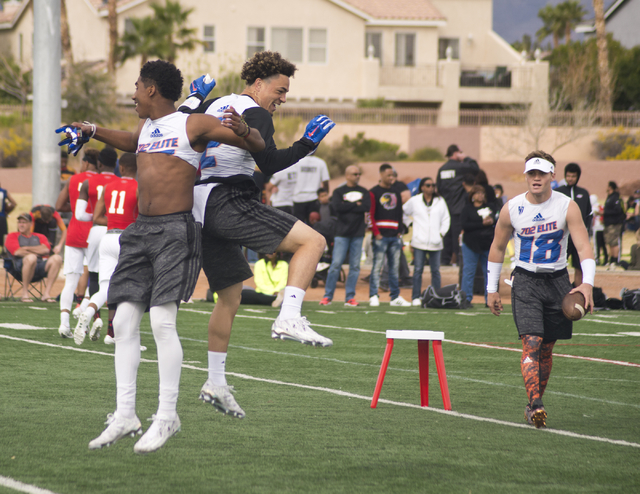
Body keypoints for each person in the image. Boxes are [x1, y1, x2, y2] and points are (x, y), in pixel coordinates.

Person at [58, 60, 265, 454]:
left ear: (152, 89)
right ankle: (125, 415)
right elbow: (128, 140)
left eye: (136, 86)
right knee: (123, 319)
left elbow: (255, 145)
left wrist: (246, 131)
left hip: (175, 230)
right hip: (140, 231)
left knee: (163, 324)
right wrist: (92, 130)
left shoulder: (194, 123)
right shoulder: (147, 129)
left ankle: (167, 416)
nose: (132, 93)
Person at [181, 52, 335, 422]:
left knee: (230, 298)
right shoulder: (257, 112)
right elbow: (268, 162)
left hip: (198, 206)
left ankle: (215, 382)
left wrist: (192, 100)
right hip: (227, 198)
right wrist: (305, 147)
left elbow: (180, 131)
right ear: (259, 83)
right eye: (280, 90)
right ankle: (290, 315)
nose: (281, 98)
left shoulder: (216, 103)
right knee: (313, 242)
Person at [486, 151, 595, 429]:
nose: (536, 178)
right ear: (526, 176)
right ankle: (536, 404)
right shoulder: (511, 208)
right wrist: (491, 289)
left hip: (558, 280)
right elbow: (497, 248)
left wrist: (587, 283)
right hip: (525, 280)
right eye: (531, 173)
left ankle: (531, 405)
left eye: (541, 173)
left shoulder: (567, 206)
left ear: (551, 175)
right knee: (531, 341)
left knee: (547, 348)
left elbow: (583, 247)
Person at [74, 152, 139, 346]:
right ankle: (124, 334)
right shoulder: (139, 187)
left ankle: (90, 311)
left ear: (122, 168)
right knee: (131, 290)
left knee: (105, 287)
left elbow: (96, 218)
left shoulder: (109, 187)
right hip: (127, 240)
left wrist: (116, 222)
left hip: (108, 237)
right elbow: (144, 217)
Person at [74, 147, 120, 336]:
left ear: (99, 163)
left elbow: (79, 215)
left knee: (94, 276)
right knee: (115, 280)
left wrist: (96, 217)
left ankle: (94, 321)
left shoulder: (87, 182)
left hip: (96, 233)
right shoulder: (122, 182)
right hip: (116, 232)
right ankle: (111, 330)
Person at [55, 149, 99, 338]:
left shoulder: (73, 179)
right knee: (96, 278)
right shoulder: (103, 181)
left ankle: (64, 324)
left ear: (87, 163)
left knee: (71, 280)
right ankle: (84, 309)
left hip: (74, 231)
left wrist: (74, 207)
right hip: (94, 232)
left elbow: (58, 205)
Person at [319, 165, 370, 307]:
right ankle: (327, 296)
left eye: (359, 174)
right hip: (341, 234)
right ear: (347, 175)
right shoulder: (338, 192)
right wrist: (356, 205)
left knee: (355, 267)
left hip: (358, 234)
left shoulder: (364, 191)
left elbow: (366, 207)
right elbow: (337, 207)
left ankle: (350, 297)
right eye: (354, 174)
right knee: (335, 265)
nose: (357, 176)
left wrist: (348, 204)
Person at [403, 177, 450, 306]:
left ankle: (436, 296)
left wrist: (441, 233)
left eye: (433, 185)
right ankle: (415, 297)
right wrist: (409, 223)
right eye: (428, 185)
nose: (431, 188)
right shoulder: (415, 200)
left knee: (435, 271)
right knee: (418, 270)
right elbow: (403, 212)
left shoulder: (440, 201)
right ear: (422, 187)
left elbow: (446, 218)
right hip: (419, 242)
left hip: (436, 243)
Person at [369, 163, 411, 307]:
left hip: (394, 236)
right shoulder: (373, 192)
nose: (392, 177)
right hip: (380, 236)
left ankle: (395, 297)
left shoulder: (396, 193)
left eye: (393, 175)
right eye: (389, 175)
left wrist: (399, 231)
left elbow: (399, 214)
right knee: (377, 266)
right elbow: (370, 214)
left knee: (394, 268)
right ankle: (373, 295)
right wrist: (376, 233)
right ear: (381, 175)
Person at [436, 144, 479, 266]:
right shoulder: (461, 167)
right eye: (460, 152)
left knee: (446, 234)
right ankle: (459, 260)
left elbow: (438, 187)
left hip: (445, 207)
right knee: (456, 235)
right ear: (456, 153)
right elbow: (475, 168)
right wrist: (466, 158)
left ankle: (444, 260)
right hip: (458, 208)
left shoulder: (442, 169)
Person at [5, 213, 62, 302]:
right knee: (31, 258)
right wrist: (37, 251)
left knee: (57, 258)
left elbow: (46, 250)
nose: (21, 224)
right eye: (19, 222)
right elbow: (17, 252)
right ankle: (25, 294)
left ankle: (46, 294)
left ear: (31, 224)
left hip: (39, 267)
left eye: (24, 222)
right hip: (19, 267)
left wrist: (26, 248)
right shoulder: (12, 236)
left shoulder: (40, 236)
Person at [555, 163, 592, 285]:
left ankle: (578, 295)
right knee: (558, 266)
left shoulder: (584, 193)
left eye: (573, 176)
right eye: (568, 176)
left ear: (578, 177)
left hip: (579, 238)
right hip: (562, 237)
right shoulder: (557, 193)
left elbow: (589, 214)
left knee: (579, 266)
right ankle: (559, 291)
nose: (570, 178)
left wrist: (587, 232)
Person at [460, 185, 497, 305]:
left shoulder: (490, 207)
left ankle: (489, 299)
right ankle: (466, 298)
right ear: (472, 196)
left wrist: (492, 220)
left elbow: (499, 218)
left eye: (482, 193)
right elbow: (465, 225)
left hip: (487, 243)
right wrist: (482, 223)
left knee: (489, 272)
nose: (480, 195)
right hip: (471, 244)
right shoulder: (467, 209)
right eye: (477, 193)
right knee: (469, 272)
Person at [291, 155, 330, 224]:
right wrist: (325, 196)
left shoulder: (296, 161)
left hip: (298, 199)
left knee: (299, 226)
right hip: (314, 199)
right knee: (314, 227)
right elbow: (325, 182)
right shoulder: (320, 162)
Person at [603, 181, 626, 268]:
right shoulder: (610, 197)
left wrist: (604, 212)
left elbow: (617, 210)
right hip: (608, 223)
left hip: (615, 223)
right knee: (610, 242)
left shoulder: (616, 197)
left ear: (610, 187)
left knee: (614, 242)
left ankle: (615, 260)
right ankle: (611, 259)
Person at [0, 181, 17, 251]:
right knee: (3, 236)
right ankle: (4, 252)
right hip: (2, 217)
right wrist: (6, 212)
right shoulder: (3, 192)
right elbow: (13, 203)